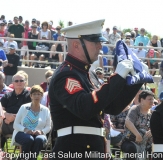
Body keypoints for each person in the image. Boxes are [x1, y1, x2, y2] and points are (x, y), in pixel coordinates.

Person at [48, 19, 144, 159]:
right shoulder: (66, 74)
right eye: (95, 42)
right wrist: (117, 77)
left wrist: (135, 82)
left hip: (91, 148)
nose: (100, 46)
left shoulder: (88, 74)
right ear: (76, 45)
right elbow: (85, 107)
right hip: (73, 149)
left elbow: (112, 106)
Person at [11, 85, 51, 160]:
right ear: (31, 96)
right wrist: (25, 130)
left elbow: (48, 126)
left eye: (39, 94)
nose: (36, 96)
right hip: (22, 133)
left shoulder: (46, 110)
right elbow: (15, 124)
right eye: (34, 94)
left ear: (42, 96)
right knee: (29, 139)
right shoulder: (23, 107)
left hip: (39, 134)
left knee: (39, 140)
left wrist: (41, 131)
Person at [121, 90, 154, 160]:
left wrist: (152, 131)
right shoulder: (135, 109)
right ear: (142, 100)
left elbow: (158, 127)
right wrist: (137, 135)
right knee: (131, 149)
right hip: (131, 141)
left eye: (153, 99)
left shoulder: (153, 113)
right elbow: (128, 122)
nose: (152, 101)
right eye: (149, 99)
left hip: (147, 144)